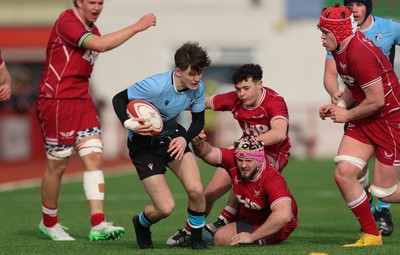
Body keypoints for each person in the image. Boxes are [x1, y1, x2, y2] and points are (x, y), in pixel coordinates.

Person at [36, 0, 156, 241]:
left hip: (82, 100)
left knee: (94, 156)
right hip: (58, 100)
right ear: (78, 2)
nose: (97, 7)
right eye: (92, 2)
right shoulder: (67, 21)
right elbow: (100, 45)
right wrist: (136, 27)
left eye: (101, 2)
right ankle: (49, 222)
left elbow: (96, 45)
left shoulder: (93, 28)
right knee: (57, 166)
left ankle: (98, 223)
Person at [167, 63, 291, 245]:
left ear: (259, 84)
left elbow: (279, 132)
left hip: (273, 154)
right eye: (238, 89)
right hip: (243, 151)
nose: (242, 94)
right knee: (208, 194)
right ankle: (189, 231)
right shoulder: (235, 99)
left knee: (246, 177)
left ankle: (225, 219)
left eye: (246, 88)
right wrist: (169, 103)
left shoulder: (274, 101)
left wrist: (248, 144)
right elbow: (205, 102)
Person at [112, 41, 211, 249]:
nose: (197, 78)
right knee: (165, 208)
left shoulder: (198, 87)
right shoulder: (155, 85)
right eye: (192, 73)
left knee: (196, 190)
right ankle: (141, 223)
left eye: (200, 72)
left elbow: (199, 121)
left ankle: (196, 238)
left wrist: (185, 138)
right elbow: (118, 99)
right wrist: (126, 121)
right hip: (144, 146)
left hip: (172, 137)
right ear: (178, 71)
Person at [318, 3, 400, 246]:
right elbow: (354, 87)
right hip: (366, 118)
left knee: (383, 192)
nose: (322, 38)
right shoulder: (340, 48)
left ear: (339, 32)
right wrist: (340, 106)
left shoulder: (359, 53)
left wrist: (346, 116)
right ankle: (372, 235)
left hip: (389, 121)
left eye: (325, 33)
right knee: (344, 174)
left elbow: (377, 100)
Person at [191, 132, 298, 245]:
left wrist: (252, 237)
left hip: (277, 226)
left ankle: (220, 227)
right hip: (252, 213)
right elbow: (208, 152)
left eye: (249, 161)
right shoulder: (235, 161)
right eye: (240, 160)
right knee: (239, 185)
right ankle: (224, 220)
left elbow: (284, 216)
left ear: (259, 160)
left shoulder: (273, 179)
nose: (243, 165)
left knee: (220, 238)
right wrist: (199, 144)